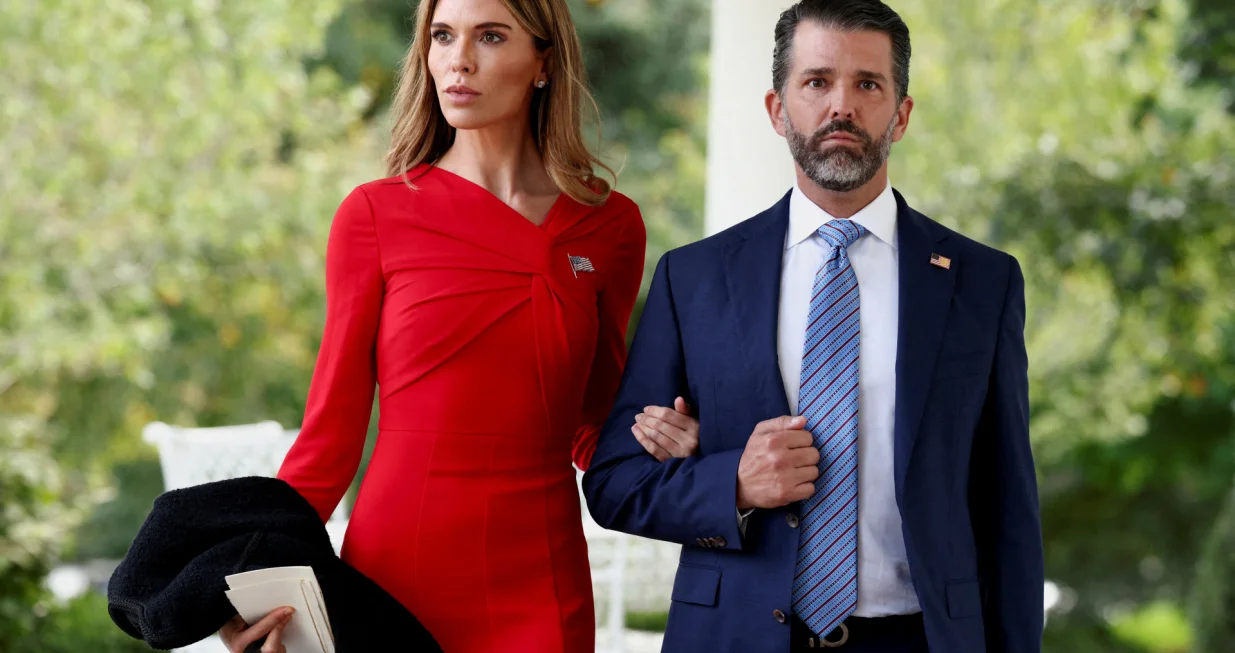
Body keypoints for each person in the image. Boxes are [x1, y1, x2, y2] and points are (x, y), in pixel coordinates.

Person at [219, 0, 699, 651]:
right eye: (442, 36)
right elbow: (329, 440)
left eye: (490, 36)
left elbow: (594, 422)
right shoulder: (374, 215)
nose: (458, 60)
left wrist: (666, 442)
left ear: (542, 63)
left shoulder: (609, 227)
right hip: (396, 568)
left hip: (542, 569)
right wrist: (263, 582)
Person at [583, 1, 1044, 652]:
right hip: (732, 636)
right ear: (777, 109)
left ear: (901, 114)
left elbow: (1010, 513)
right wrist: (733, 481)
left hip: (922, 639)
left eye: (867, 84)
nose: (841, 106)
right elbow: (613, 483)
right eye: (816, 81)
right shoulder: (693, 277)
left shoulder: (982, 282)